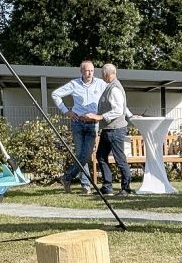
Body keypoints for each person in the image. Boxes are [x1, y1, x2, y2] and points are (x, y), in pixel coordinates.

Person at [52, 60, 107, 195]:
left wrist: (128, 113)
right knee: (80, 155)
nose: (90, 73)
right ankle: (85, 186)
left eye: (92, 70)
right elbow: (55, 94)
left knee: (85, 155)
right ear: (81, 71)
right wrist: (66, 111)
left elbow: (114, 96)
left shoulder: (101, 84)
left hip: (92, 124)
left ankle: (66, 177)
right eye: (87, 70)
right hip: (78, 123)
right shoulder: (74, 84)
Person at [84, 64, 134, 196]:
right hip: (108, 129)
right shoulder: (113, 86)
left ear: (106, 74)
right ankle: (107, 187)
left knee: (120, 159)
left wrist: (100, 116)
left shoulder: (114, 89)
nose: (101, 75)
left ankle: (126, 189)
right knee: (101, 156)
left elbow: (118, 109)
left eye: (102, 73)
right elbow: (122, 107)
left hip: (115, 129)